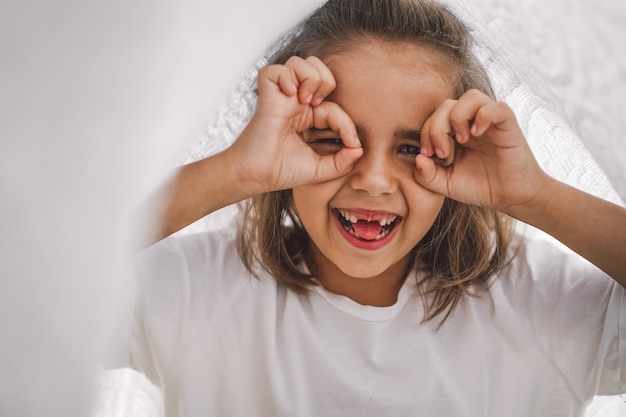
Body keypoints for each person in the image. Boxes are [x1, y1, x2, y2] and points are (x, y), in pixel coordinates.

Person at [132, 0, 626, 415]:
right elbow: (55, 283)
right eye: (333, 138)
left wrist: (533, 195)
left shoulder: (541, 306)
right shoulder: (198, 291)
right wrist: (237, 170)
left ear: (462, 150)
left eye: (412, 149)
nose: (372, 181)